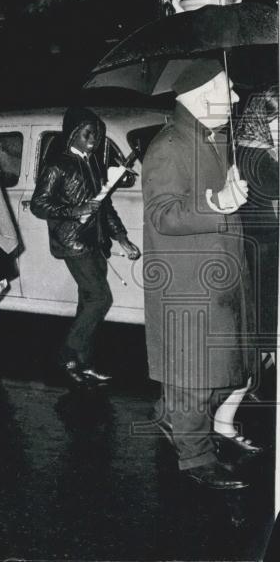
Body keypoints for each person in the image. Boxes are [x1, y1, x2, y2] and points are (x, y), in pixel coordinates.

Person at [143, 59, 257, 490]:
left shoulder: (209, 138)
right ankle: (196, 460)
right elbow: (162, 216)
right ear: (196, 96)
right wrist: (217, 204)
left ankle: (170, 416)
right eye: (226, 90)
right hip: (189, 281)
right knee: (195, 372)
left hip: (217, 275)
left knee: (219, 368)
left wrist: (227, 190)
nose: (234, 97)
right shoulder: (168, 147)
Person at [30, 106, 140, 387]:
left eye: (97, 134)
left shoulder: (93, 164)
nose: (93, 139)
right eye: (87, 134)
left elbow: (105, 206)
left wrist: (122, 237)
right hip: (73, 241)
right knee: (100, 299)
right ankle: (65, 353)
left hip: (95, 240)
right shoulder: (57, 165)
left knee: (86, 304)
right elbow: (39, 205)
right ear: (72, 135)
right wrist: (75, 209)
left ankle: (82, 363)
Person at [235, 85, 278, 355]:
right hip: (261, 242)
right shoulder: (253, 153)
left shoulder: (255, 146)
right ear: (265, 118)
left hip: (264, 238)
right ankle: (263, 362)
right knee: (265, 306)